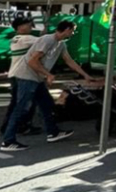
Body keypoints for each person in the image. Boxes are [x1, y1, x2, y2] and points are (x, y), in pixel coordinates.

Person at [2, 20, 91, 151]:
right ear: (66, 29)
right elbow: (32, 61)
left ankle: (53, 132)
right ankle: (8, 141)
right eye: (72, 30)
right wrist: (48, 74)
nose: (73, 32)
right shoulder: (47, 40)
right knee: (21, 108)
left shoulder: (60, 44)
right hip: (27, 76)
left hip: (37, 78)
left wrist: (85, 75)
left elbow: (69, 61)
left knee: (47, 104)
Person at [1, 16, 41, 136]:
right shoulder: (26, 39)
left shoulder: (15, 39)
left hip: (15, 74)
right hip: (23, 75)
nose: (30, 26)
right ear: (19, 27)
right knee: (25, 103)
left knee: (16, 102)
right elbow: (45, 42)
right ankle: (20, 127)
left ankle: (6, 126)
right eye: (28, 24)